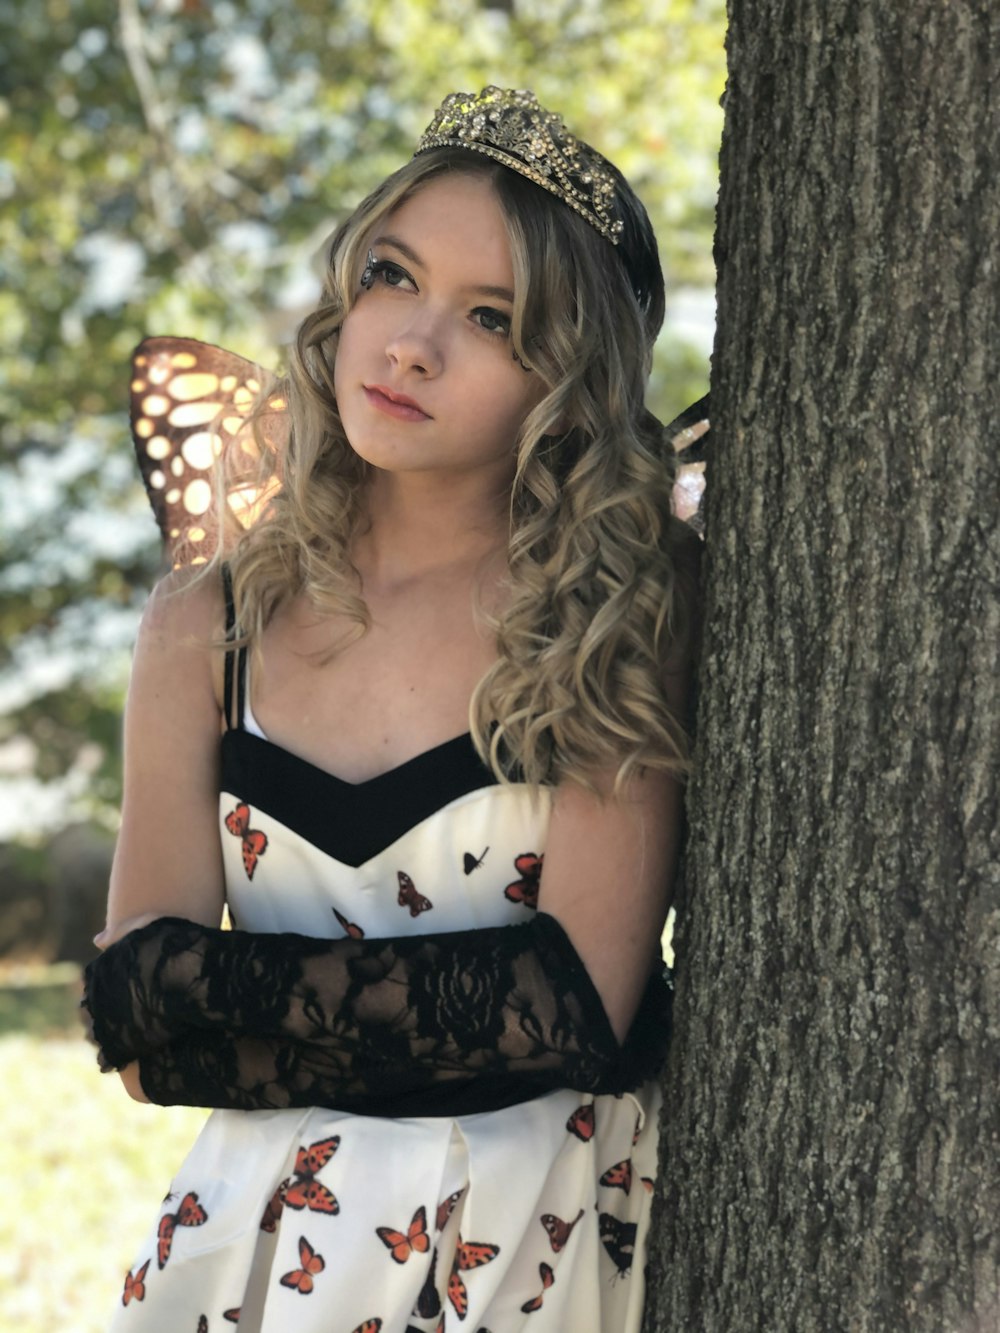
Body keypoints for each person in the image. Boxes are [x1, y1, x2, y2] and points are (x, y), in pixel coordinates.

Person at [83, 86, 700, 1332]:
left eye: (493, 318)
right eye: (390, 274)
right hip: (257, 1241)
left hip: (527, 1242)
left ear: (567, 379)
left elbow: (574, 1008)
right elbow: (135, 1021)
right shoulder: (206, 625)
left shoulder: (612, 608)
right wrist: (462, 1003)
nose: (413, 342)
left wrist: (228, 996)